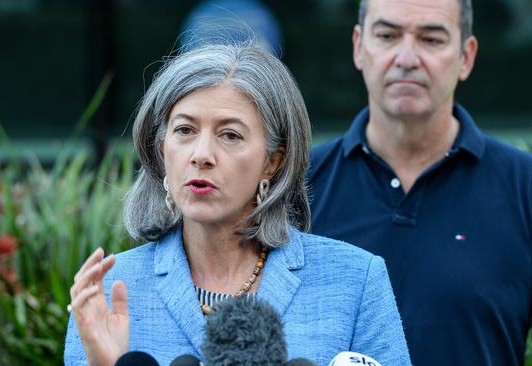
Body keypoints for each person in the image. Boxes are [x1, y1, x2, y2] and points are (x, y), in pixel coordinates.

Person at [64, 43, 410, 365]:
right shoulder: (111, 288)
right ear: (160, 149)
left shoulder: (355, 280)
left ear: (273, 161)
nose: (201, 155)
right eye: (184, 131)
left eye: (230, 135)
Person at [307, 0, 532, 365]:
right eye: (388, 35)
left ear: (466, 56)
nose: (407, 58)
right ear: (359, 47)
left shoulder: (531, 188)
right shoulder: (301, 183)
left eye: (431, 39)